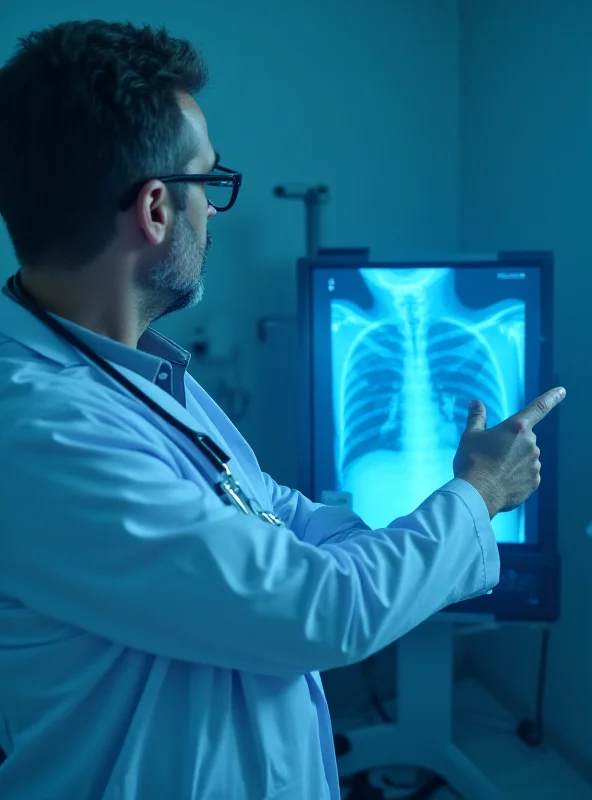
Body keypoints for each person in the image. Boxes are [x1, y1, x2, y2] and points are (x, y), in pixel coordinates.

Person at [0, 20, 564, 800]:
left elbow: (275, 513)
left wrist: (377, 555)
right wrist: (479, 494)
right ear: (157, 207)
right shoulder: (41, 434)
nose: (216, 211)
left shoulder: (134, 371)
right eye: (211, 182)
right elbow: (317, 610)